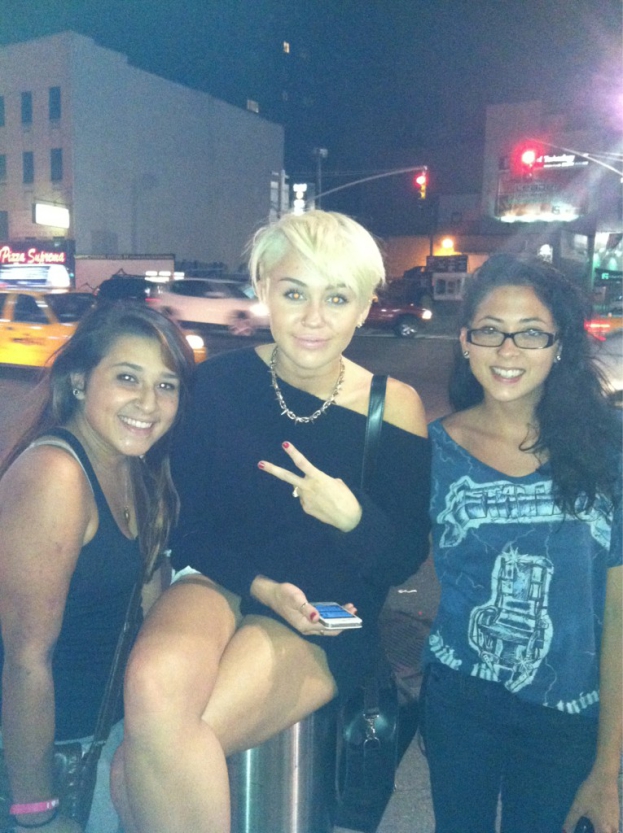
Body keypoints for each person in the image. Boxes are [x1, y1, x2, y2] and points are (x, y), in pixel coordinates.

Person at [111, 209, 431, 833]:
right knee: (152, 686)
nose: (314, 318)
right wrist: (259, 587)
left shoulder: (392, 406)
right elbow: (187, 525)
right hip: (223, 579)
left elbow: (402, 560)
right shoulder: (217, 383)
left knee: (147, 758)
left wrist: (354, 518)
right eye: (294, 293)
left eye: (336, 297)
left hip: (323, 610)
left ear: (365, 306)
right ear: (263, 290)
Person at [421, 254, 622, 833]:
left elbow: (618, 611)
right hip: (460, 700)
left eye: (531, 333)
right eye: (491, 330)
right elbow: (379, 550)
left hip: (569, 712)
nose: (508, 350)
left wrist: (608, 768)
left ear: (560, 345)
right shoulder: (433, 449)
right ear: (466, 341)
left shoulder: (608, 447)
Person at [0, 302, 195, 833]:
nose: (148, 403)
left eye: (167, 385)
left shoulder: (135, 469)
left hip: (108, 738)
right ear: (80, 382)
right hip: (46, 758)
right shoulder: (56, 475)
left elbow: (147, 614)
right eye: (127, 378)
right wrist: (36, 812)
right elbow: (24, 659)